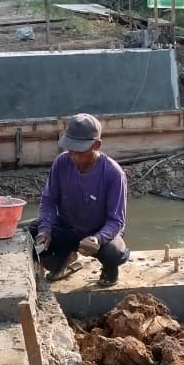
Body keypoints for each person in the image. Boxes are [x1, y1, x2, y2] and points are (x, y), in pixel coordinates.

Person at [31, 113, 130, 287]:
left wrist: (98, 238)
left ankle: (109, 270)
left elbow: (116, 220)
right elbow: (48, 201)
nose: (74, 156)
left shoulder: (113, 173)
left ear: (96, 145)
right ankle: (63, 259)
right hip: (67, 227)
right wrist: (45, 230)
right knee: (27, 235)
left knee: (113, 253)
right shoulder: (61, 163)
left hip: (99, 231)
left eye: (80, 151)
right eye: (70, 150)